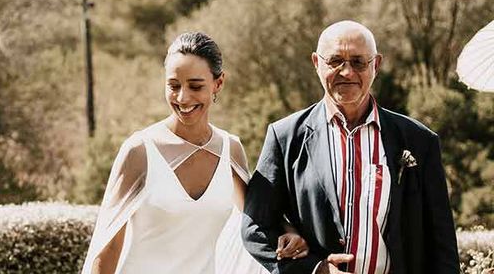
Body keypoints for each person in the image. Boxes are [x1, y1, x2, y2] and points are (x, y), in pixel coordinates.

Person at [242, 20, 460, 274]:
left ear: (376, 65)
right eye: (335, 61)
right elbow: (255, 227)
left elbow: (442, 242)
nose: (346, 72)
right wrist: (316, 269)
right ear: (316, 63)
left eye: (358, 62)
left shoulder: (419, 141)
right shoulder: (285, 137)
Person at [81, 32, 309, 274]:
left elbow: (256, 218)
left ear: (218, 83)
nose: (182, 97)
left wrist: (290, 231)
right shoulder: (139, 151)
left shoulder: (230, 149)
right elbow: (108, 248)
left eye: (195, 86)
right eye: (174, 86)